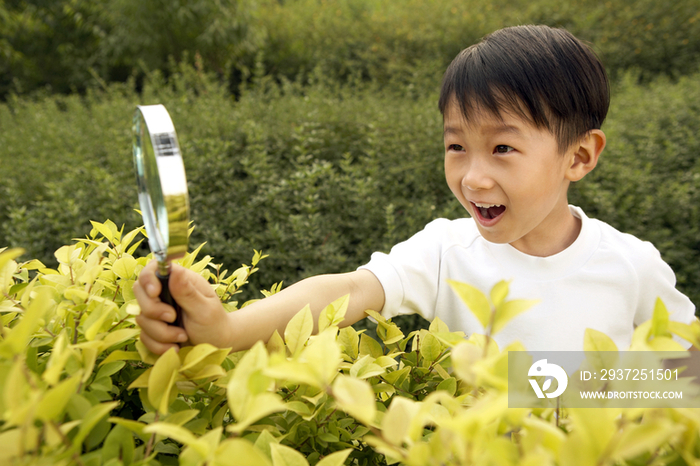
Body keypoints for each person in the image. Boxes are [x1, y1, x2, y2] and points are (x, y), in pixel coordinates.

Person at [134, 25, 696, 355]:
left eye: (502, 148)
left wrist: (558, 390)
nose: (472, 177)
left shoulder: (632, 266)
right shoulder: (447, 251)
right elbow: (346, 291)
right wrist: (228, 329)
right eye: (457, 147)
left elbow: (687, 376)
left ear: (579, 156)